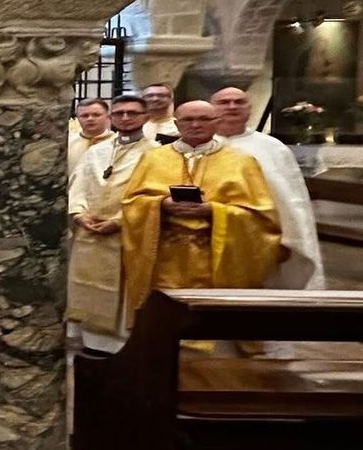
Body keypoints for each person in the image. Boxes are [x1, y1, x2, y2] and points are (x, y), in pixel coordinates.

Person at [120, 100, 282, 316]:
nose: (196, 124)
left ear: (217, 122)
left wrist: (213, 211)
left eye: (204, 119)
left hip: (217, 258)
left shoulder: (242, 162)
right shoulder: (152, 158)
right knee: (164, 315)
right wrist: (162, 204)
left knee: (211, 318)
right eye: (188, 119)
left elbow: (262, 218)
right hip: (165, 257)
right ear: (177, 125)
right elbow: (132, 203)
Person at [66, 93, 156, 353]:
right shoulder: (97, 151)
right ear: (112, 118)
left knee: (123, 298)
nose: (125, 118)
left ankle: (121, 348)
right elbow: (78, 186)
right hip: (89, 233)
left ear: (145, 117)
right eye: (120, 113)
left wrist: (119, 221)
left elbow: (155, 197)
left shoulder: (156, 154)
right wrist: (79, 214)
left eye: (132, 113)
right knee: (89, 294)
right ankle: (91, 346)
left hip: (128, 236)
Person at [212, 86, 325, 290]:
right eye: (224, 102)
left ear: (249, 109)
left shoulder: (273, 148)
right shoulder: (200, 145)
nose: (232, 107)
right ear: (211, 108)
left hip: (261, 235)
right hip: (209, 232)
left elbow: (293, 200)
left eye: (239, 102)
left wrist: (293, 237)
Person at [69, 99, 113, 177]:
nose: (90, 119)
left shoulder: (117, 143)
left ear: (108, 117)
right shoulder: (68, 144)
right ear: (77, 118)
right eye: (84, 115)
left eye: (96, 115)